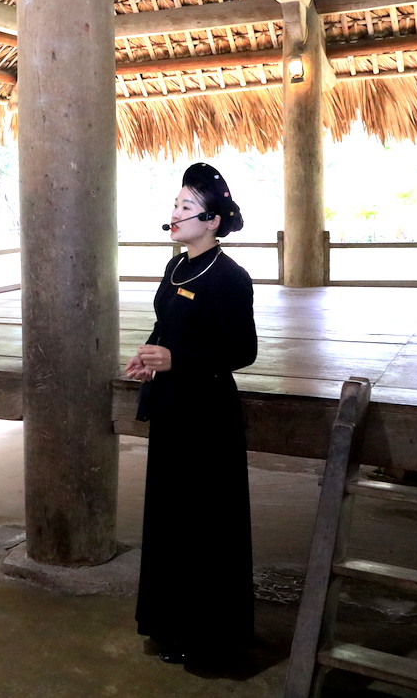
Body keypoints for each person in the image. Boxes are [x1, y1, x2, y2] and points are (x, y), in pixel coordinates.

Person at [124, 162, 258, 668]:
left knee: (206, 524)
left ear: (212, 221)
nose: (175, 213)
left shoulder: (230, 277)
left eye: (186, 206)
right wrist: (150, 354)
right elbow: (167, 325)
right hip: (171, 407)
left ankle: (209, 641)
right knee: (170, 518)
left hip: (208, 415)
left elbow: (243, 350)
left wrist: (178, 359)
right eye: (175, 204)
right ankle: (171, 626)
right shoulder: (176, 268)